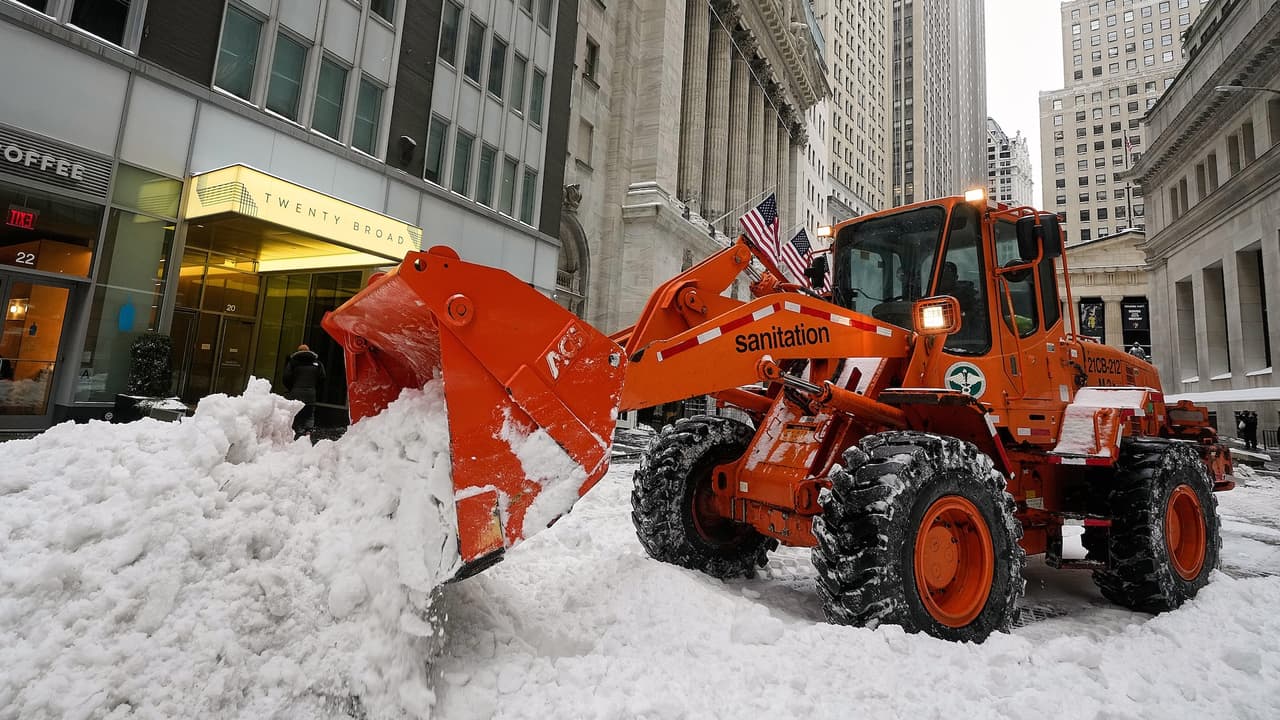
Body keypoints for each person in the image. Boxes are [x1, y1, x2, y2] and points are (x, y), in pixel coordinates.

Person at [283, 344, 326, 436]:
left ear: (298, 351)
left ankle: (294, 433)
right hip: (311, 394)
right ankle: (308, 432)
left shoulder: (293, 363)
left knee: (294, 413)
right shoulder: (317, 363)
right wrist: (314, 388)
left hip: (295, 393)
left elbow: (286, 377)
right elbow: (322, 378)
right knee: (309, 415)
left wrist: (291, 388)